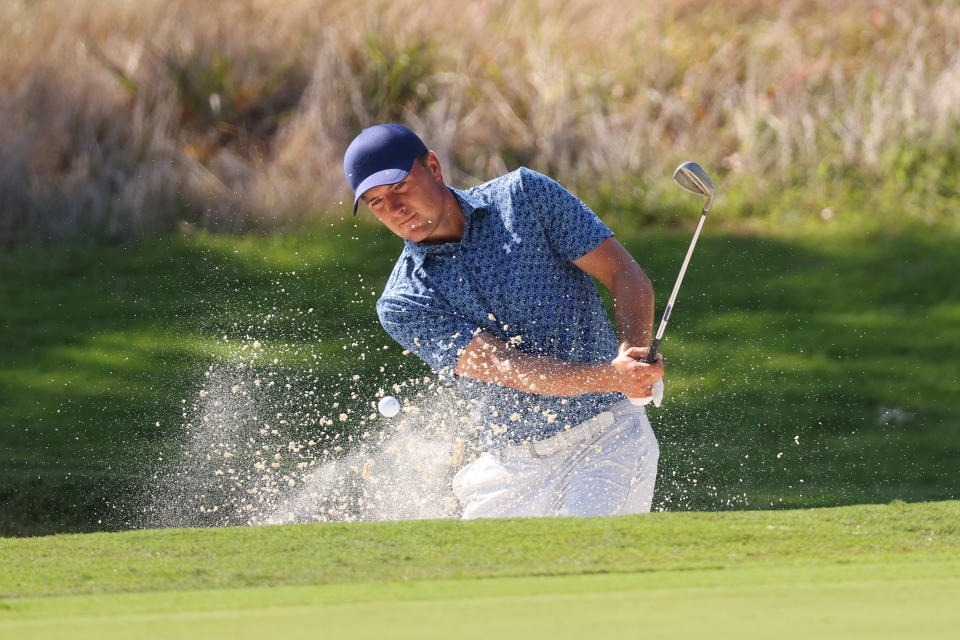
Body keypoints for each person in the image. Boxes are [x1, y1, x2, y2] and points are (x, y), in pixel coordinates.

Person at [343, 123, 664, 519]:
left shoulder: (525, 197)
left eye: (399, 188)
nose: (395, 210)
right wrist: (611, 376)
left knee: (581, 565)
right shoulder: (404, 301)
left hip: (606, 436)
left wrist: (631, 358)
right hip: (510, 468)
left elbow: (625, 275)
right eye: (376, 202)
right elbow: (508, 368)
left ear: (433, 166)